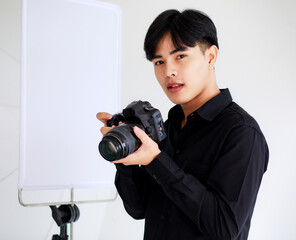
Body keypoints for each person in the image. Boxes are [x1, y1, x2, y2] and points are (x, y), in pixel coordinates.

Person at [97, 9, 268, 240]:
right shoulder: (168, 127)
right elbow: (138, 209)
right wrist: (125, 158)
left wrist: (155, 160)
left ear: (211, 57)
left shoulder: (241, 133)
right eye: (159, 61)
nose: (169, 72)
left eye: (180, 56)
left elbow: (224, 228)